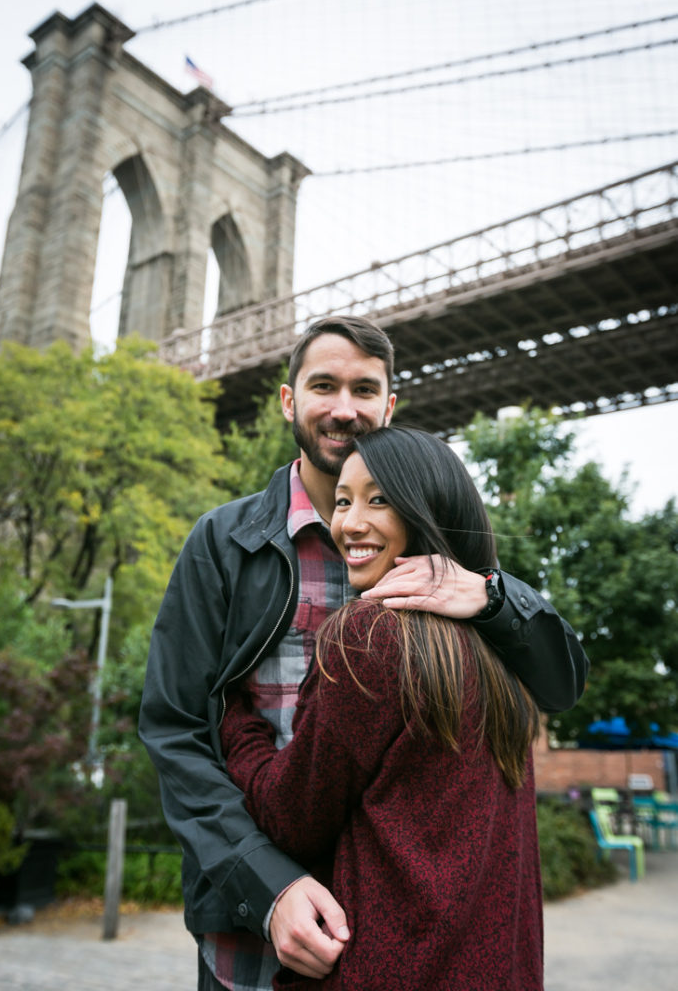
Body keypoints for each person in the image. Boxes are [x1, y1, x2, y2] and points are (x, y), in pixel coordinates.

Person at [139, 315, 587, 991]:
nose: (344, 408)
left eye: (364, 389)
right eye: (323, 385)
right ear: (289, 401)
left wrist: (495, 597)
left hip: (392, 927)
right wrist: (266, 885)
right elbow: (174, 731)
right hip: (256, 921)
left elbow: (558, 686)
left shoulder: (448, 565)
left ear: (389, 406)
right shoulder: (223, 544)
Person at [219, 425, 544, 989]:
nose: (349, 523)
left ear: (427, 511)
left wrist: (236, 719)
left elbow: (292, 818)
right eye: (343, 501)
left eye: (380, 499)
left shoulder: (367, 637)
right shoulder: (502, 650)